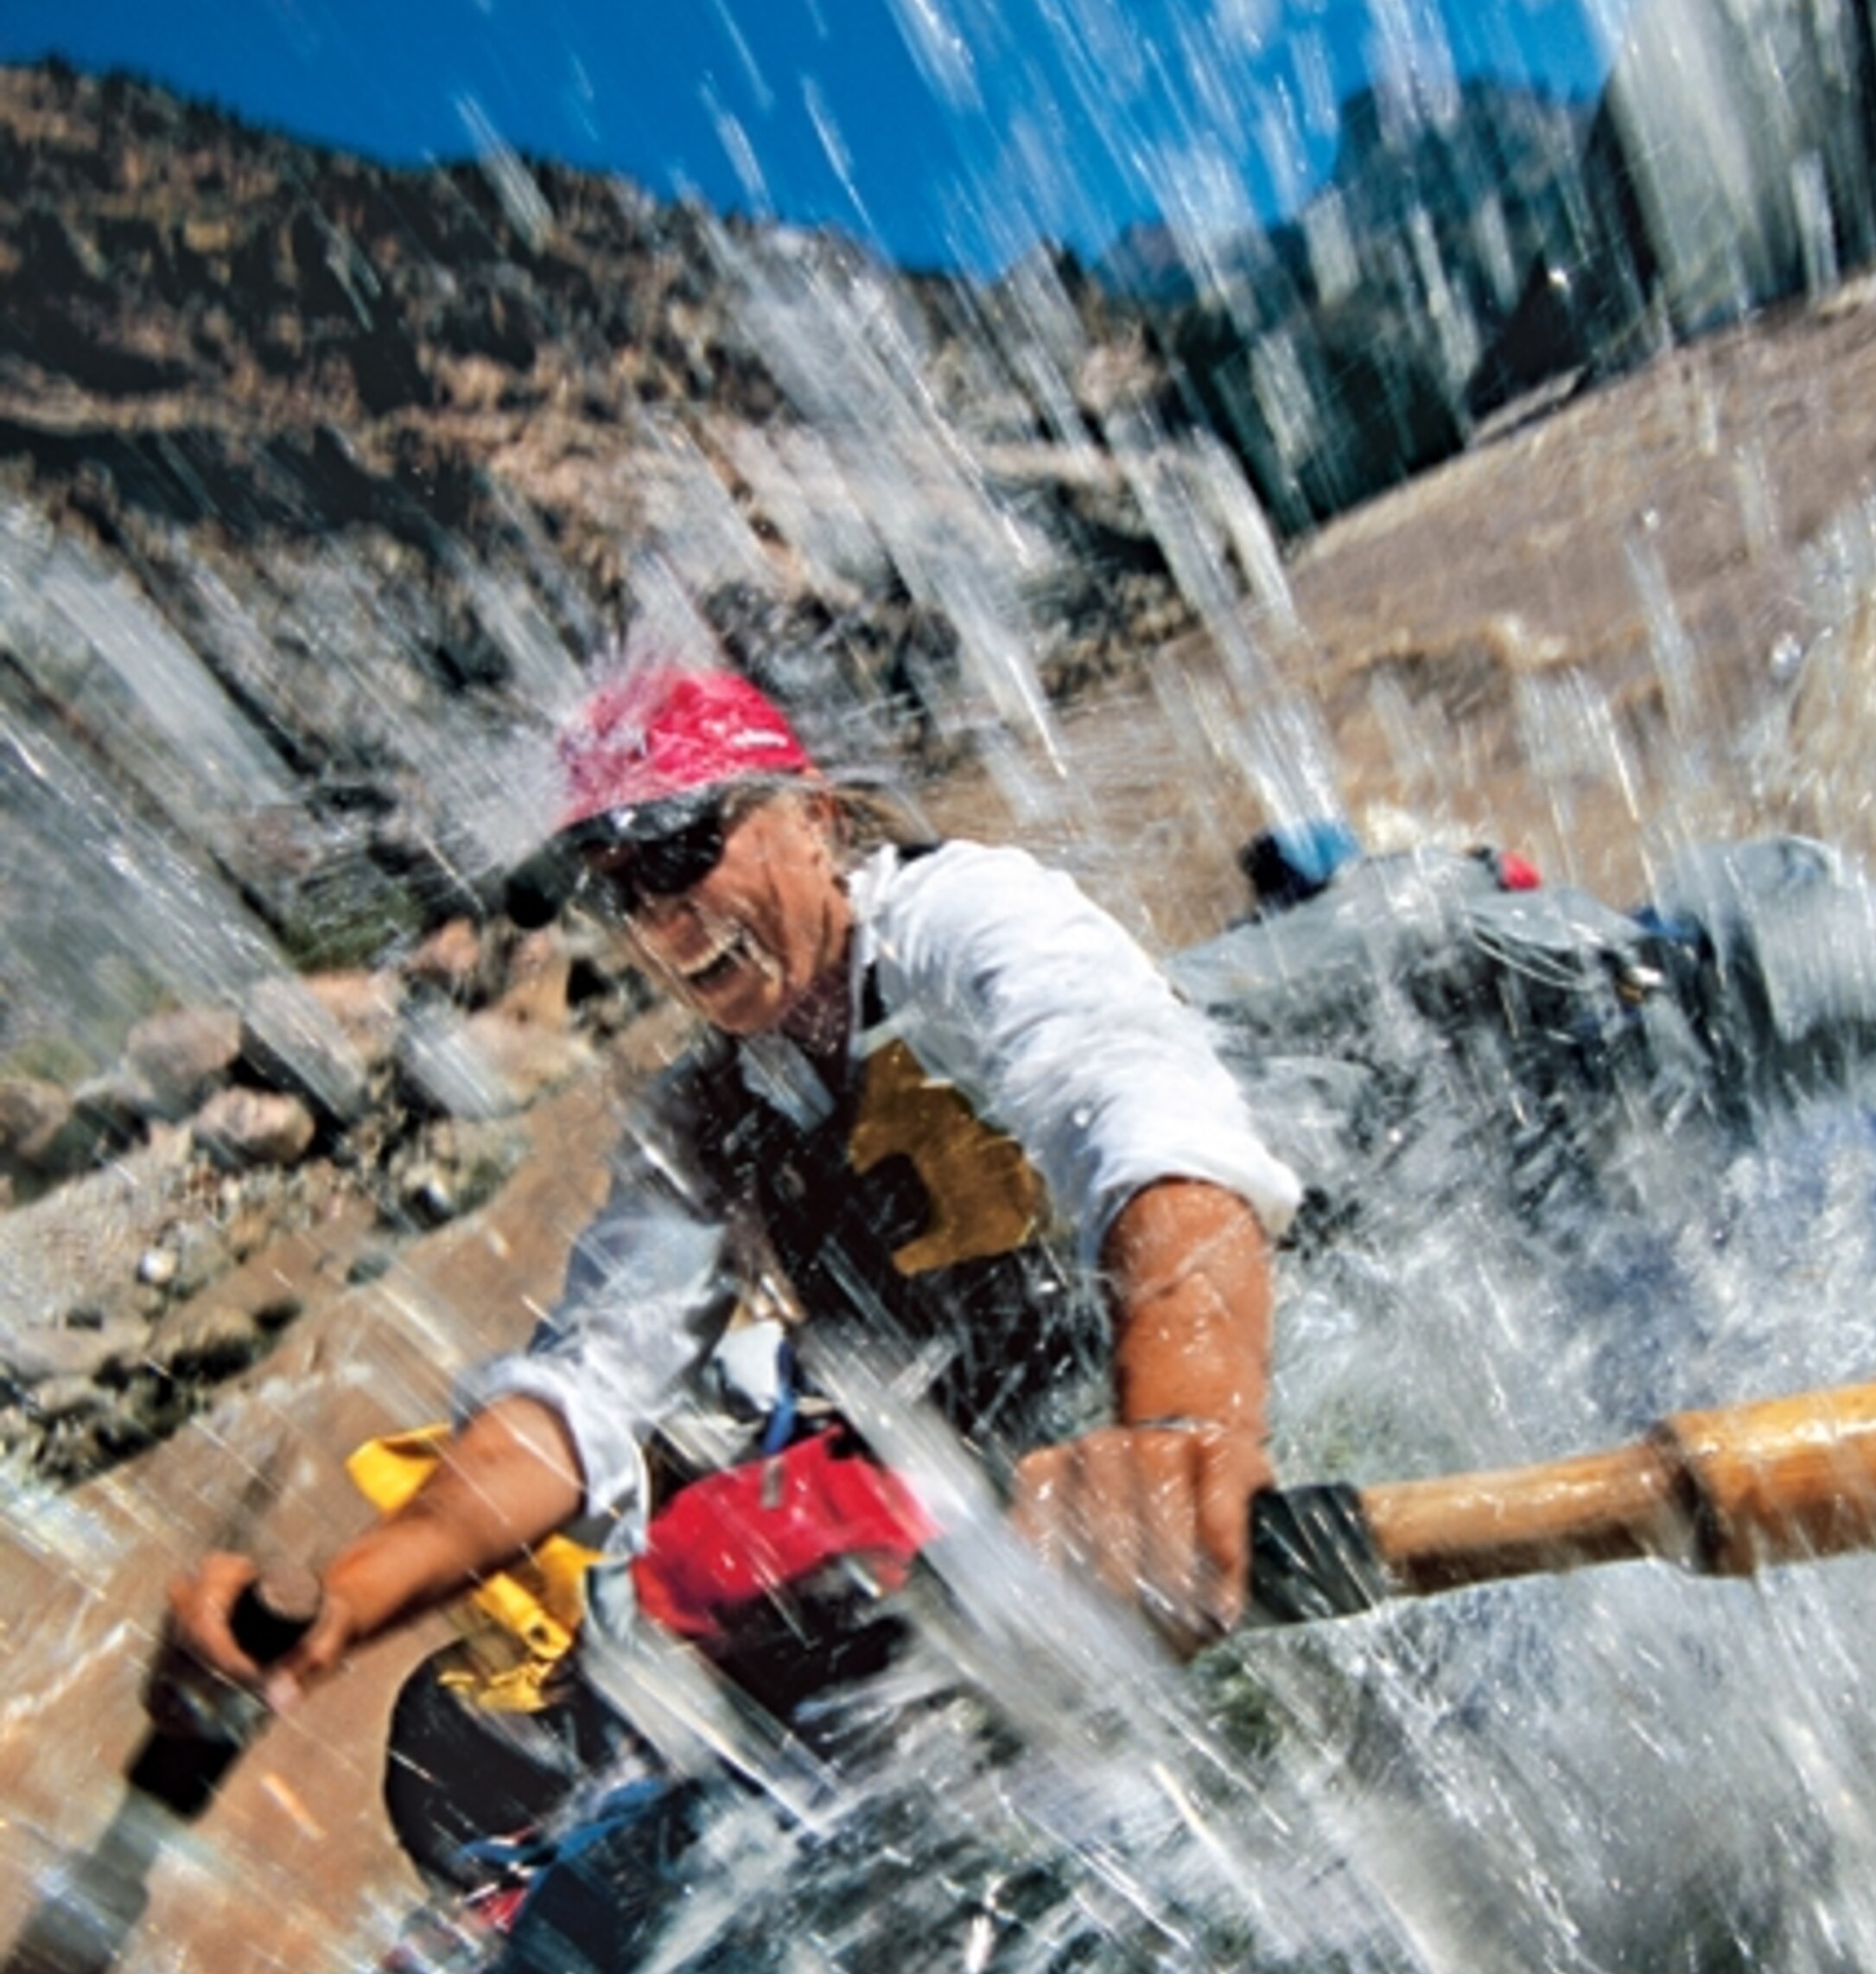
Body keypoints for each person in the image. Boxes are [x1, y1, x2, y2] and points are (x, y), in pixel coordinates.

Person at [165, 664, 1300, 1837]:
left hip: (1228, 1405)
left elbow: (1145, 1127)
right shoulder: (709, 1117)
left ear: (810, 815)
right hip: (1025, 1521)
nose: (660, 922)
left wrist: (1181, 1434)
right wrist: (352, 1598)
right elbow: (580, 1393)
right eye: (621, 891)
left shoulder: (965, 922)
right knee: (484, 1749)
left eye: (678, 854)